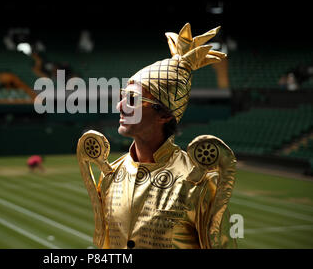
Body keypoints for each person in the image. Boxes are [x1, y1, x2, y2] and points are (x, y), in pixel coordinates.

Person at [77, 23, 237, 249]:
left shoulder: (198, 183)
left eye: (132, 99)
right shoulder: (111, 177)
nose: (120, 106)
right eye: (123, 96)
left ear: (163, 115)